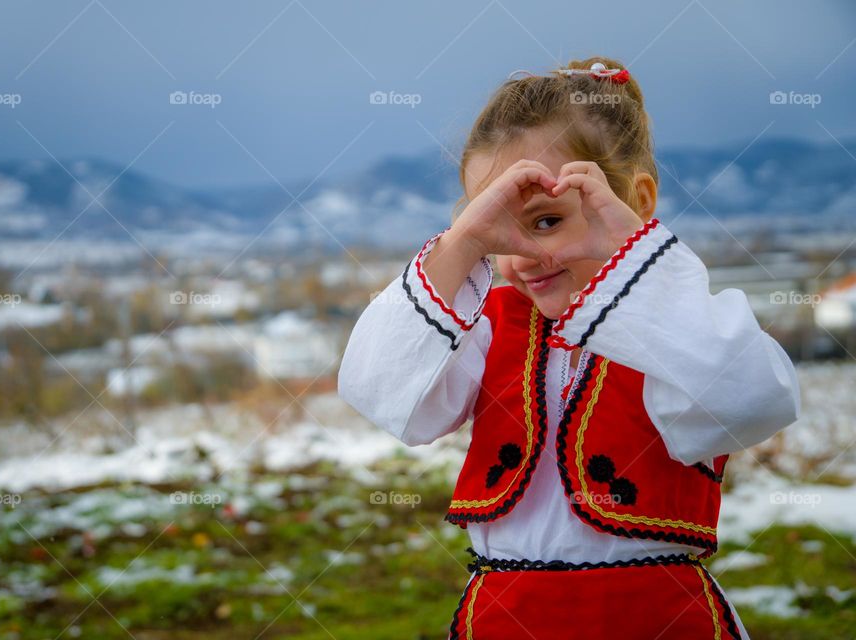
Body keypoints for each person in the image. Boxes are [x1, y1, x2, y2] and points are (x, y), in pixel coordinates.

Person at [337, 56, 801, 639]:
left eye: (548, 220)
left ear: (636, 201)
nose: (522, 255)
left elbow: (752, 400)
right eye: (495, 226)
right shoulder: (488, 326)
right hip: (504, 619)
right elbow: (381, 391)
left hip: (659, 620)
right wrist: (460, 246)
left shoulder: (679, 322)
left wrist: (632, 257)